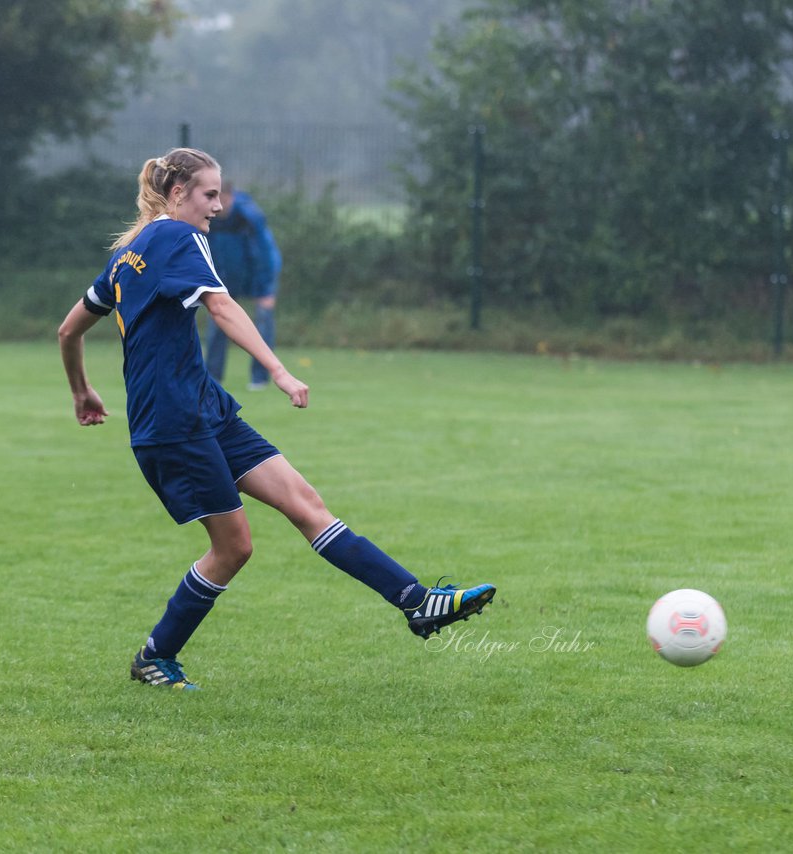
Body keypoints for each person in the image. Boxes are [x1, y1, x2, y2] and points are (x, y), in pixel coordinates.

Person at [57, 147, 495, 690]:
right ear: (177, 194)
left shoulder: (130, 255)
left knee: (304, 502)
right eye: (209, 194)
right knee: (234, 547)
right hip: (173, 422)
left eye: (219, 194)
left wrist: (82, 391)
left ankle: (418, 602)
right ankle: (154, 656)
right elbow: (220, 306)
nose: (218, 206)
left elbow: (68, 330)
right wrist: (280, 372)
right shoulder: (177, 236)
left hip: (202, 406)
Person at [203, 182, 281, 390]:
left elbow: (265, 253)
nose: (218, 206)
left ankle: (260, 377)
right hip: (225, 277)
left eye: (223, 199)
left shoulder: (250, 217)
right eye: (213, 199)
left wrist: (265, 288)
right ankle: (212, 378)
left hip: (256, 275)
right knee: (218, 323)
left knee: (263, 321)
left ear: (232, 197)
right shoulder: (207, 218)